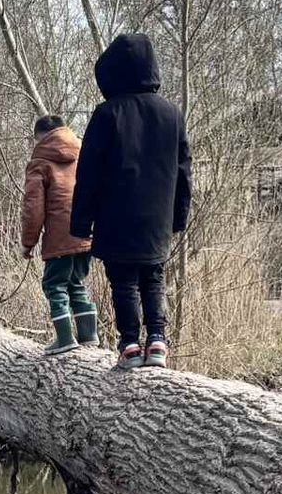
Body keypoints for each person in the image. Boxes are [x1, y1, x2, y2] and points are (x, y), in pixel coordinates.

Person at [69, 31, 191, 369]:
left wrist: (80, 223)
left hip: (116, 215)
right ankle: (158, 342)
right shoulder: (172, 114)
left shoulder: (107, 113)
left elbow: (88, 173)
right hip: (157, 217)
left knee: (123, 280)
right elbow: (184, 172)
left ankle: (129, 345)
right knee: (153, 276)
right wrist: (178, 216)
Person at [20, 112, 97, 355]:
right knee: (76, 281)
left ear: (39, 138)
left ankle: (64, 339)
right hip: (87, 233)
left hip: (59, 236)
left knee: (54, 285)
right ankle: (88, 335)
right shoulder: (84, 154)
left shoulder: (40, 162)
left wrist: (28, 243)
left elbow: (33, 208)